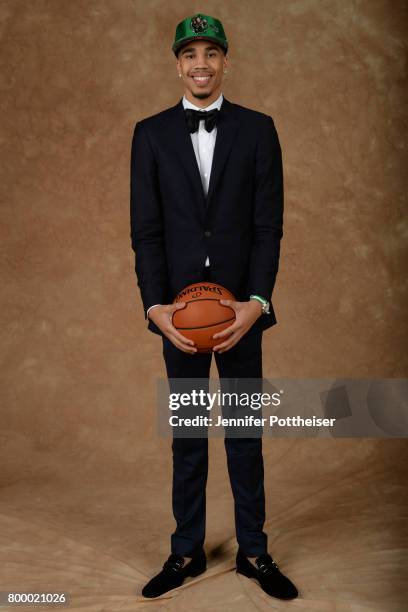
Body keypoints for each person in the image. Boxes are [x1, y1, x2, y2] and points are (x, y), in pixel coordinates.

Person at [130, 12, 298, 600]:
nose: (200, 64)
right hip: (179, 316)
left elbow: (268, 228)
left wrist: (256, 302)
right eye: (190, 54)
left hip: (241, 313)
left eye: (211, 53)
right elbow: (146, 232)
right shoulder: (149, 134)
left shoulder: (258, 129)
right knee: (189, 434)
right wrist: (156, 309)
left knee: (246, 431)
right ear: (177, 63)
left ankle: (254, 549)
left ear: (226, 60)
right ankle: (186, 552)